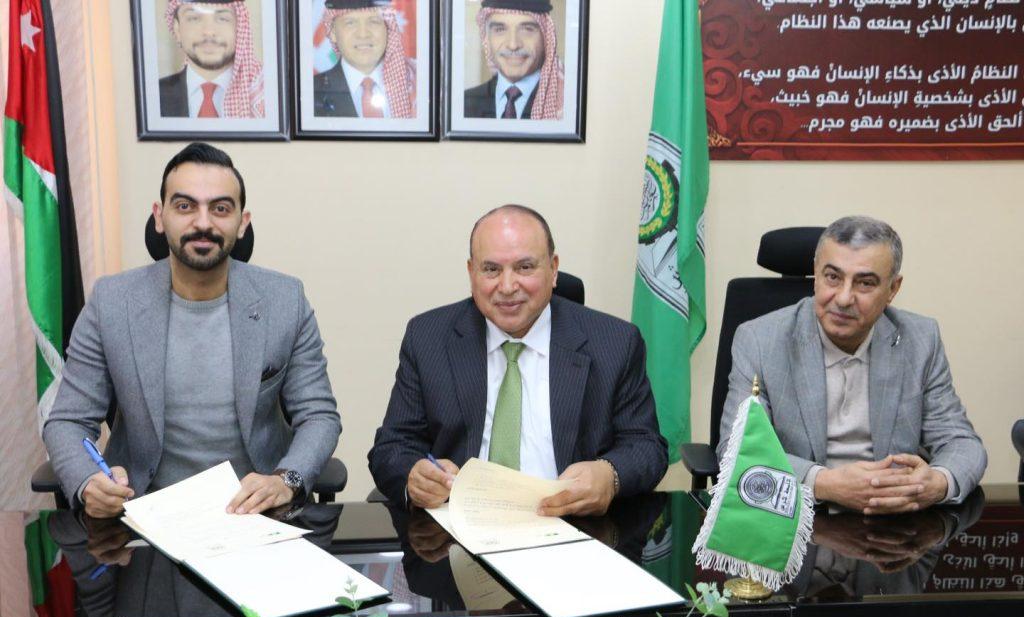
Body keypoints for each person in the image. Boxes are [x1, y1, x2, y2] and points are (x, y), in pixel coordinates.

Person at [43, 143, 341, 519]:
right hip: (143, 511)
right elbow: (68, 420)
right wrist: (88, 481)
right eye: (185, 206)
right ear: (160, 217)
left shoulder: (285, 299)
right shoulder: (111, 302)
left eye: (220, 208)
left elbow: (319, 416)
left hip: (256, 512)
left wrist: (287, 479)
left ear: (242, 222)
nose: (203, 223)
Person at [368, 205, 667, 517]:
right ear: (471, 273)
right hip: (459, 528)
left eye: (524, 267)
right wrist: (415, 475)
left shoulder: (615, 342)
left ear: (553, 269)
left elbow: (647, 446)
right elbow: (393, 447)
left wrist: (610, 474)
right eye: (491, 269)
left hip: (571, 526)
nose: (508, 287)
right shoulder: (428, 338)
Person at [718, 216, 986, 515]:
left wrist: (937, 482)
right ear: (816, 276)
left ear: (893, 289)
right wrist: (824, 483)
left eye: (865, 283)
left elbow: (962, 443)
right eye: (833, 277)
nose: (844, 298)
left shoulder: (920, 340)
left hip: (892, 522)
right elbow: (737, 450)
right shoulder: (760, 340)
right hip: (796, 519)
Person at [159, 0, 265, 118]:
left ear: (240, 27)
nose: (209, 32)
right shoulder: (153, 96)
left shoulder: (266, 94)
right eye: (194, 18)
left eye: (222, 19)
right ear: (177, 30)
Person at [313, 0, 416, 118]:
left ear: (388, 29)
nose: (363, 34)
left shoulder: (417, 84)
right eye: (350, 23)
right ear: (333, 33)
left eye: (373, 21)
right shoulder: (310, 93)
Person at [464, 0, 564, 120]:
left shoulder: (566, 104)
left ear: (545, 37)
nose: (513, 45)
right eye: (500, 30)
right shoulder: (465, 104)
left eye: (527, 29)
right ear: (487, 38)